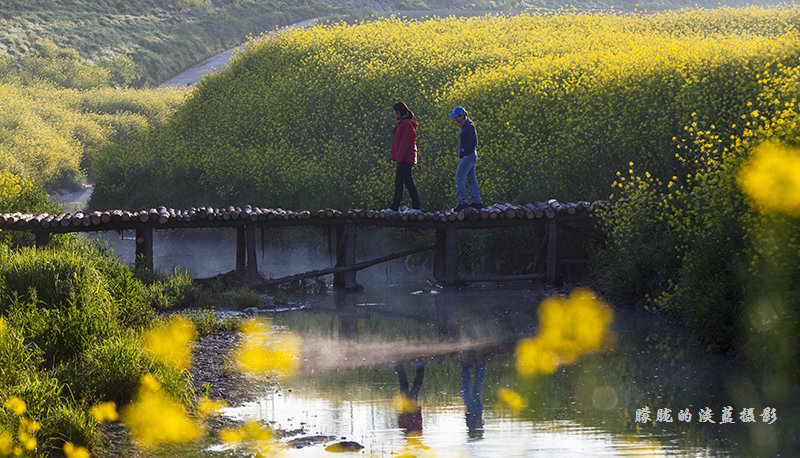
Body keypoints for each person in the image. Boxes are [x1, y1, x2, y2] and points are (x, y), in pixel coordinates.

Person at [385, 102, 421, 214]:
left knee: (408, 182)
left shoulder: (406, 124)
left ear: (399, 112)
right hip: (403, 158)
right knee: (399, 182)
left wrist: (399, 159)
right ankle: (394, 207)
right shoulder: (403, 123)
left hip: (405, 158)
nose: (394, 114)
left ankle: (416, 207)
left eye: (394, 112)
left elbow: (404, 145)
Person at [448, 106, 482, 212]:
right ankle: (477, 201)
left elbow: (474, 142)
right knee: (471, 178)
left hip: (469, 155)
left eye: (456, 117)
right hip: (470, 155)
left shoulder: (469, 126)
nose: (455, 119)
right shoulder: (466, 126)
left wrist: (463, 150)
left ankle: (462, 202)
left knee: (459, 177)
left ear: (462, 115)